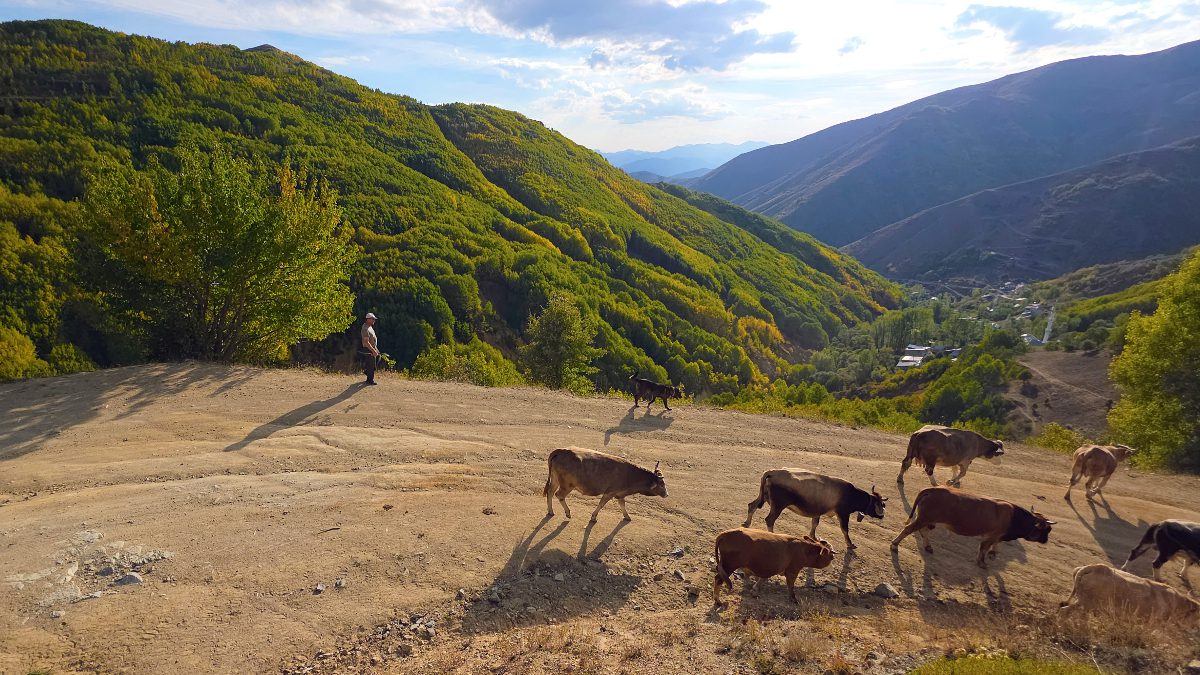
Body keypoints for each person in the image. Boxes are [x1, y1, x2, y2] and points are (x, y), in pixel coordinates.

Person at [360, 312, 380, 385]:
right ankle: (370, 380)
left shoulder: (369, 326)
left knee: (377, 358)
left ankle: (367, 372)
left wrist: (375, 349)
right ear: (368, 319)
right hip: (368, 348)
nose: (374, 320)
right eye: (373, 319)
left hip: (373, 347)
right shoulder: (365, 328)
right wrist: (373, 350)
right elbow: (366, 342)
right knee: (371, 364)